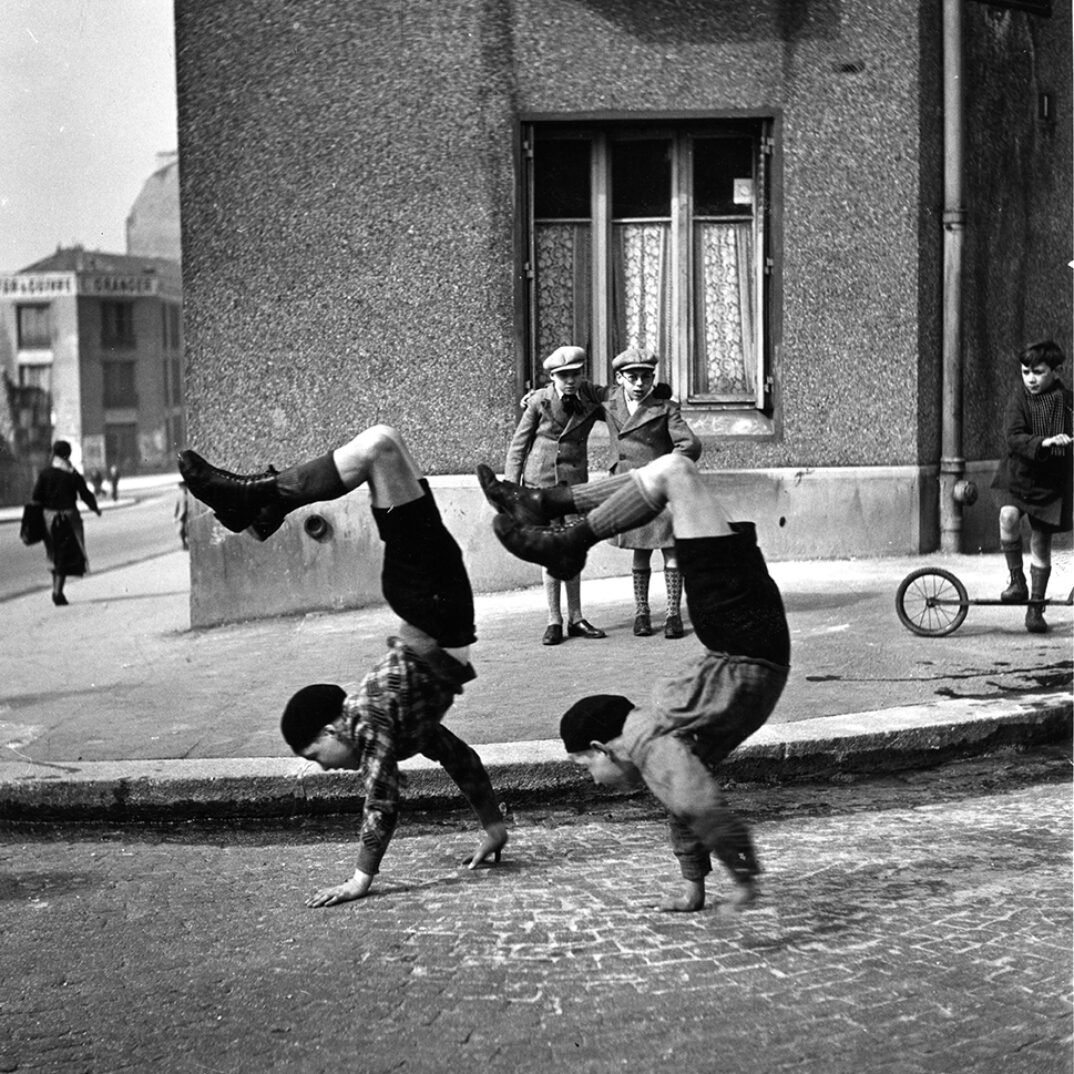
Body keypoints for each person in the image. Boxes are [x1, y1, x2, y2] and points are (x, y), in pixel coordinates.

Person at [178, 425, 509, 907]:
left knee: (379, 446)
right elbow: (462, 759)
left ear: (334, 728)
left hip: (430, 600)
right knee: (384, 445)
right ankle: (262, 508)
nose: (325, 770)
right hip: (436, 599)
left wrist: (360, 879)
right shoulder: (402, 725)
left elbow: (381, 801)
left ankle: (259, 501)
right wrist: (493, 826)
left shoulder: (372, 720)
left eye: (315, 756)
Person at [477, 452, 790, 913]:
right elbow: (684, 805)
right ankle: (547, 508)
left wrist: (742, 876)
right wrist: (694, 888)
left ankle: (562, 533)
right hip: (743, 631)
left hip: (744, 634)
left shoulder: (646, 740)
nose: (592, 779)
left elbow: (696, 803)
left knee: (675, 473)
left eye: (586, 766)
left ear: (604, 747)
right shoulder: (658, 744)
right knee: (674, 472)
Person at [504, 346, 608, 645]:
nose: (570, 381)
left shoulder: (589, 400)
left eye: (576, 374)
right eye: (563, 376)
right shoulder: (539, 401)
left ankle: (576, 618)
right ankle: (554, 620)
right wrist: (512, 488)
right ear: (552, 377)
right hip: (541, 484)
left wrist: (660, 396)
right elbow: (518, 446)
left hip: (573, 486)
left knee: (574, 549)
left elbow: (619, 402)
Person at [603, 347, 701, 639]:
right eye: (632, 377)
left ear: (653, 379)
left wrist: (666, 467)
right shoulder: (610, 402)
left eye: (646, 378)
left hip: (660, 490)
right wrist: (536, 396)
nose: (639, 385)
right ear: (620, 378)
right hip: (629, 488)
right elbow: (577, 393)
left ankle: (673, 614)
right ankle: (642, 613)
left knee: (670, 549)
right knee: (640, 550)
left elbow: (690, 445)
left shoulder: (665, 407)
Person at [990, 339, 1072, 633]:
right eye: (1026, 372)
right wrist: (1044, 442)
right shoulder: (1019, 399)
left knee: (1040, 541)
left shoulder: (1066, 401)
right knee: (1007, 516)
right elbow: (1013, 436)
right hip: (1019, 475)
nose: (1031, 379)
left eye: (1038, 372)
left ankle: (1035, 607)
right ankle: (1017, 581)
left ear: (1056, 371)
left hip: (1049, 484)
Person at [31, 440, 102, 606]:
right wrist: (95, 509)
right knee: (65, 555)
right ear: (67, 455)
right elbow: (84, 493)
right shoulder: (72, 473)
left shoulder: (45, 473)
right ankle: (57, 592)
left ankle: (57, 590)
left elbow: (36, 497)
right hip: (69, 519)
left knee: (55, 554)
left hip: (48, 519)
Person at [174, 481, 191, 550]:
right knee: (181, 530)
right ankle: (184, 544)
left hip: (189, 515)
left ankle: (187, 544)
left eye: (183, 486)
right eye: (180, 487)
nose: (182, 488)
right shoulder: (180, 494)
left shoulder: (190, 494)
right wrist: (175, 515)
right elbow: (177, 505)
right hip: (182, 515)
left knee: (188, 530)